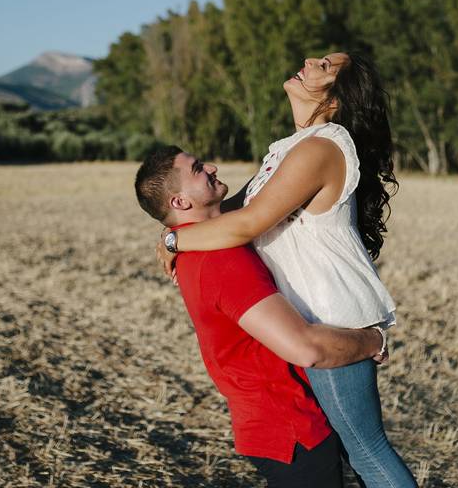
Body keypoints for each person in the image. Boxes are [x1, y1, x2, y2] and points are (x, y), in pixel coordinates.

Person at [157, 52, 418, 487]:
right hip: (310, 313)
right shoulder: (287, 149)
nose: (310, 60)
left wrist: (172, 239)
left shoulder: (320, 148)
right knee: (355, 453)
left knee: (367, 451)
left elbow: (245, 224)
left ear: (336, 97)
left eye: (325, 67)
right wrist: (174, 231)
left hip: (331, 315)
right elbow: (235, 209)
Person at [134, 144, 390, 488]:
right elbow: (305, 349)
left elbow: (265, 189)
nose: (211, 166)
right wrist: (372, 339)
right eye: (197, 169)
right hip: (292, 428)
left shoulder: (201, 245)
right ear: (179, 202)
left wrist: (170, 237)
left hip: (271, 423)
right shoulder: (221, 261)